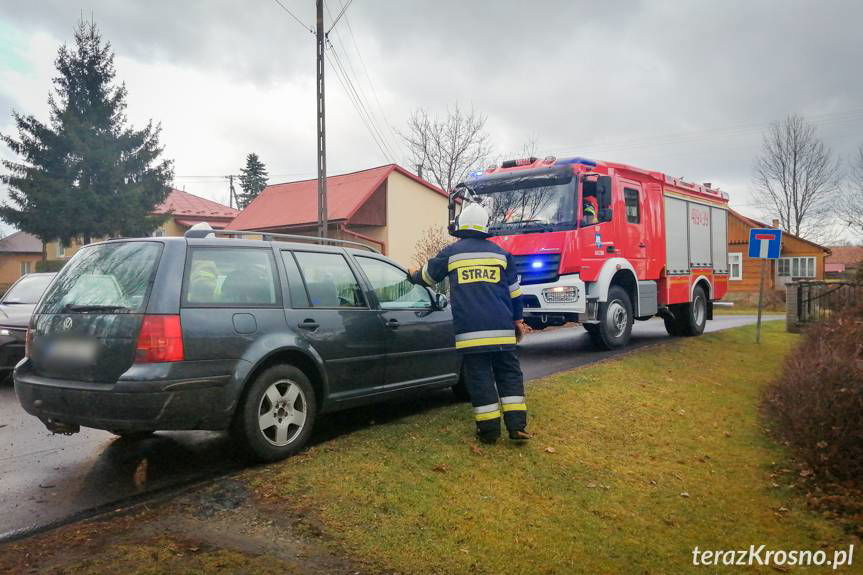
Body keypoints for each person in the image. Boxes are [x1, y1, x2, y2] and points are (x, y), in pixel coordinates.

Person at [411, 200, 531, 444]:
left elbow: (427, 276)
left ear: (462, 226)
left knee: (480, 378)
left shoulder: (452, 253)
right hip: (502, 329)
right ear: (485, 227)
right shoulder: (501, 254)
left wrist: (411, 274)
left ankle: (488, 432)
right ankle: (517, 426)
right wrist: (518, 320)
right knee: (509, 374)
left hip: (471, 333)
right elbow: (515, 293)